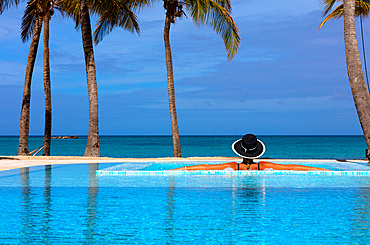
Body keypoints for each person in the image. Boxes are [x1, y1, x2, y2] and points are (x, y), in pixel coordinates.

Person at [172, 134, 330, 171]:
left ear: (241, 151)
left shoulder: (234, 166)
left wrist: (178, 169)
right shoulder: (263, 165)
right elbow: (291, 167)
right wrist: (321, 170)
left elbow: (206, 167)